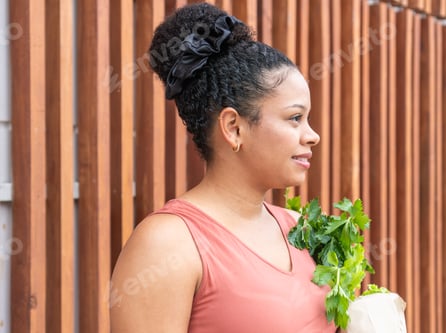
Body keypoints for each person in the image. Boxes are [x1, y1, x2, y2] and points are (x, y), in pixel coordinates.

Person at [110, 2, 335, 332]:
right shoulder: (167, 245)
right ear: (233, 127)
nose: (312, 136)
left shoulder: (302, 230)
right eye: (295, 118)